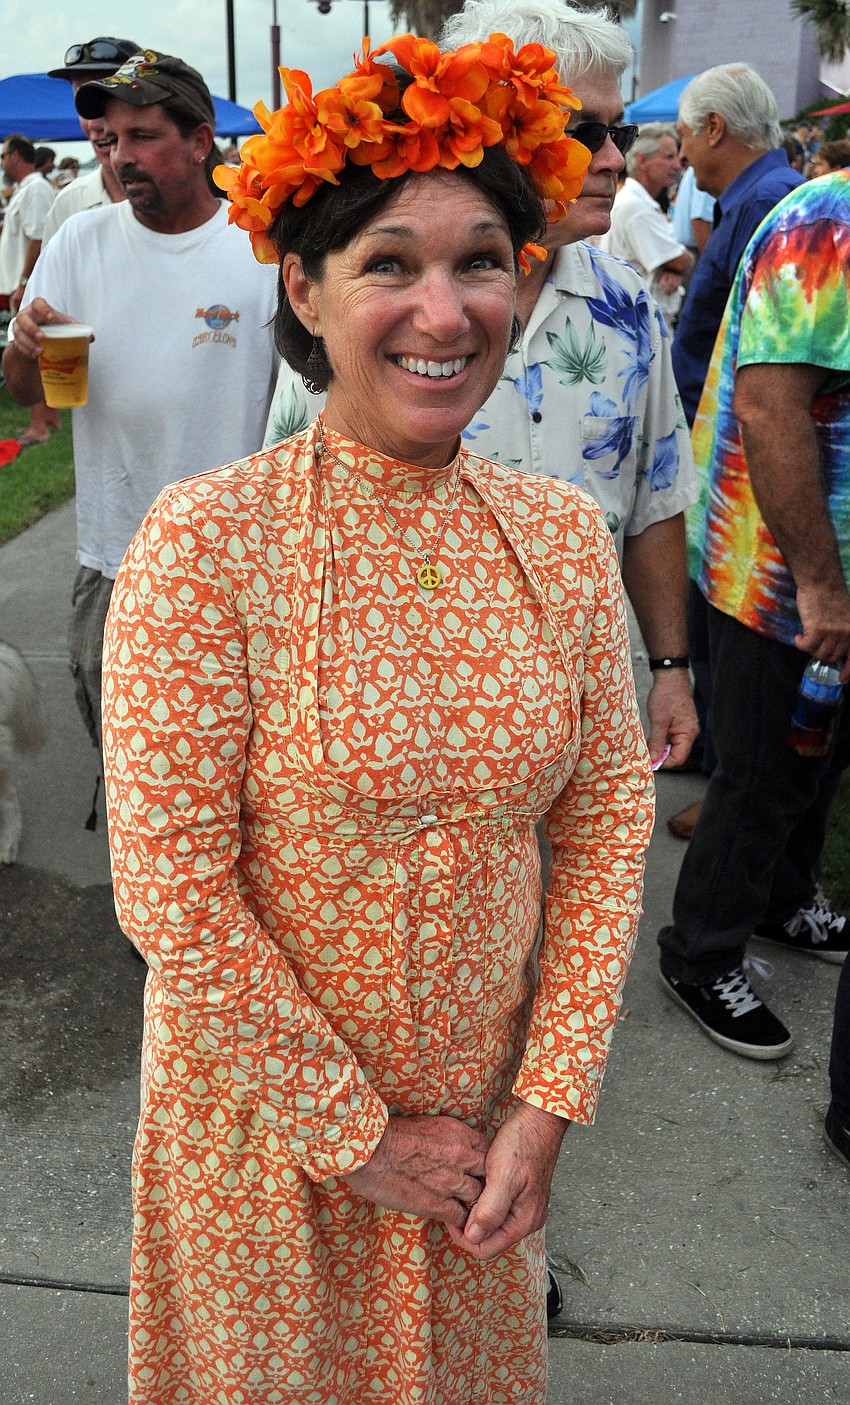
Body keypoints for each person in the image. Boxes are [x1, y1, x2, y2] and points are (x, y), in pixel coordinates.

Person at [102, 33, 654, 1403]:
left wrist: (544, 1105)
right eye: (388, 264)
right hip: (263, 1152)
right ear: (302, 283)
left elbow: (604, 815)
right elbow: (171, 885)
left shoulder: (560, 535)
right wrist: (348, 1129)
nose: (443, 310)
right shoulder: (208, 544)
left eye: (479, 260)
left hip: (478, 1156)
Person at [267, 0, 700, 783]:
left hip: (577, 712)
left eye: (621, 133)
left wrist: (669, 664)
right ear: (500, 133)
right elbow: (289, 514)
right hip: (389, 738)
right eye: (584, 133)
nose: (613, 160)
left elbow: (654, 497)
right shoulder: (366, 314)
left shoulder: (629, 304)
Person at [3, 50, 277, 754]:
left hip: (243, 571)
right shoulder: (79, 241)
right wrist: (22, 348)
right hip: (117, 561)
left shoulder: (261, 249)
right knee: (131, 772)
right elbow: (26, 392)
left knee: (250, 774)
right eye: (113, 139)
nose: (122, 155)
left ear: (197, 139)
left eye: (144, 136)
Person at [658, 169, 850, 1060]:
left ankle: (781, 900)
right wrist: (821, 585)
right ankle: (700, 953)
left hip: (824, 575)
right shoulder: (828, 222)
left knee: (818, 760)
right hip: (780, 573)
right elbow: (772, 408)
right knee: (765, 768)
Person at [668, 63, 805, 836]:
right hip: (717, 447)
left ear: (714, 127)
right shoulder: (752, 198)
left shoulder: (766, 204)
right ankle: (708, 756)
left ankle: (724, 783)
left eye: (685, 134)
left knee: (729, 639)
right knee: (706, 623)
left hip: (741, 462)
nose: (681, 151)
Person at [41, 37, 141, 245]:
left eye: (106, 103)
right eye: (83, 105)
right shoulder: (68, 205)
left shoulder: (196, 194)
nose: (94, 123)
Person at [601, 121, 694, 330]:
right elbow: (681, 261)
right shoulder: (637, 208)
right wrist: (675, 264)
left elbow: (674, 260)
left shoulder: (639, 202)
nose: (677, 165)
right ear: (642, 161)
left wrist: (672, 265)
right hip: (639, 326)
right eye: (669, 157)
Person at [0, 134, 56, 447]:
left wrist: (24, 283)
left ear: (18, 156)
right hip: (19, 283)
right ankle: (50, 417)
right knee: (37, 347)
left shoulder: (35, 188)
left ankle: (39, 426)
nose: (3, 161)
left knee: (28, 348)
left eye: (4, 154)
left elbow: (37, 237)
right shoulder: (27, 188)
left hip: (28, 286)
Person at [670, 162, 715, 262]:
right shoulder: (706, 167)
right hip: (698, 253)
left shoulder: (698, 167)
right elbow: (700, 221)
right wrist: (713, 265)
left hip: (693, 250)